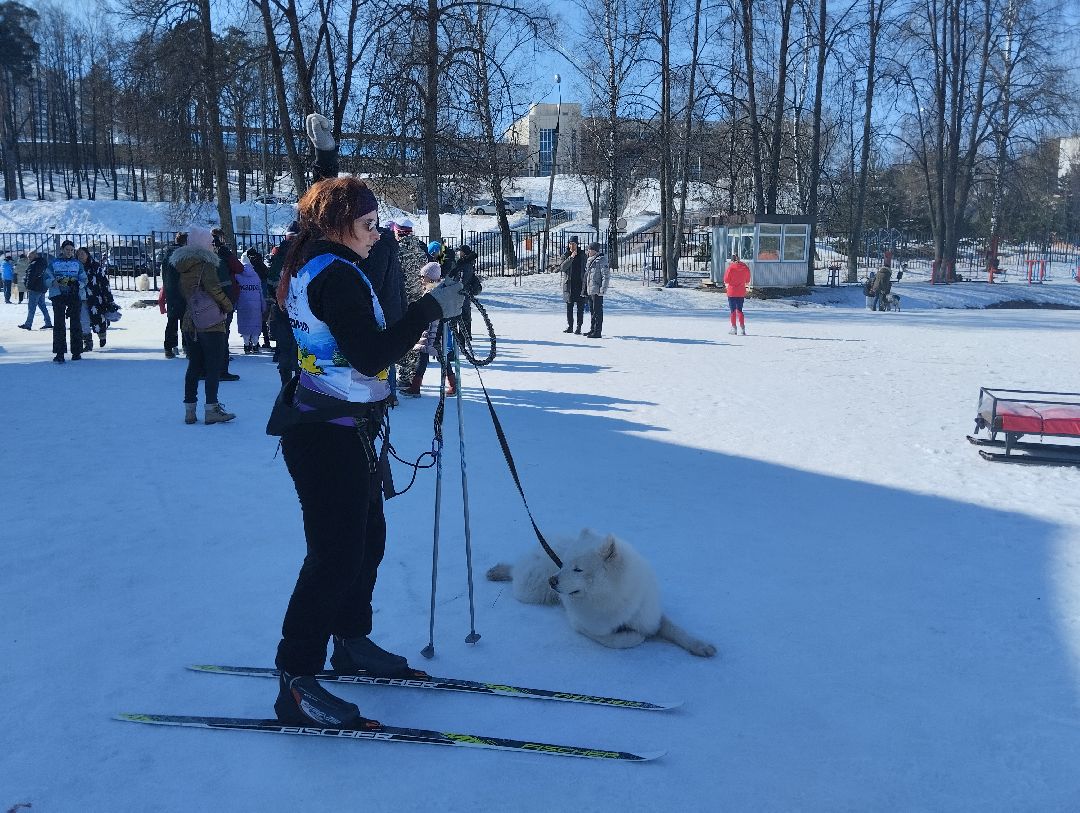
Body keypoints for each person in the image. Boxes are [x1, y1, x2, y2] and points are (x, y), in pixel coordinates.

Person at [271, 175, 464, 728]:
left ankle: (351, 641)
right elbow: (369, 353)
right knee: (334, 554)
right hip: (323, 434)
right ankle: (296, 678)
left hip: (339, 427)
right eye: (369, 225)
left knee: (366, 539)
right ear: (339, 226)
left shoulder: (315, 256)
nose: (377, 236)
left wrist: (327, 161)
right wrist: (430, 311)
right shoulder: (335, 276)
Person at [175, 226, 236, 425]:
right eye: (210, 242)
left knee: (194, 365)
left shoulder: (182, 265)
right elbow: (214, 289)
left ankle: (189, 410)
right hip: (211, 322)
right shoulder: (206, 265)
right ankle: (212, 409)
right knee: (213, 366)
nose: (213, 245)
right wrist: (227, 306)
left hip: (190, 320)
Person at [400, 261, 457, 397]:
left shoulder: (431, 292)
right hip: (433, 330)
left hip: (432, 331)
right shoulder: (436, 290)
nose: (420, 279)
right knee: (439, 359)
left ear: (429, 278)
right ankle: (453, 384)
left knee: (426, 358)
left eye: (422, 276)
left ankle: (415, 387)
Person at [394, 220, 432, 395]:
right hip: (419, 299)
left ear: (399, 232)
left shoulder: (397, 250)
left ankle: (403, 377)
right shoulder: (421, 249)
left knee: (401, 339)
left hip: (402, 301)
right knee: (416, 339)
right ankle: (411, 377)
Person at [44, 240, 87, 363]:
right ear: (62, 250)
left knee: (76, 323)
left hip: (74, 295)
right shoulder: (54, 263)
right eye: (67, 249)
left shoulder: (77, 264)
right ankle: (59, 353)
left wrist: (78, 284)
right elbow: (47, 276)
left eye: (71, 250)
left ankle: (77, 352)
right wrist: (53, 282)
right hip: (58, 295)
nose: (69, 252)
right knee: (59, 324)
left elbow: (84, 278)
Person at [268, 222, 301, 385]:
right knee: (300, 349)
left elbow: (270, 279)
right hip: (300, 309)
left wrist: (275, 297)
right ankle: (300, 386)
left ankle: (286, 387)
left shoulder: (278, 254)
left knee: (285, 348)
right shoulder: (305, 253)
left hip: (280, 307)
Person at [212, 229, 242, 381]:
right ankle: (221, 370)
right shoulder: (223, 255)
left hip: (204, 301)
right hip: (224, 299)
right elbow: (239, 268)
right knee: (223, 334)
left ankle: (205, 368)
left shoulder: (201, 256)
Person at [79, 247, 116, 349]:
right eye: (79, 254)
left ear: (87, 254)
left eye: (83, 254)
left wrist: (109, 299)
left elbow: (104, 282)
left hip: (96, 298)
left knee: (99, 319)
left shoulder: (95, 266)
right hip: (81, 298)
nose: (81, 256)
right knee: (84, 320)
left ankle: (102, 336)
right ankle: (88, 342)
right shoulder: (76, 267)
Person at [236, 250, 267, 353]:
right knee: (255, 325)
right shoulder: (256, 276)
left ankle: (246, 345)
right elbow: (260, 293)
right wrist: (263, 305)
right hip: (256, 305)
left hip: (243, 304)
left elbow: (236, 291)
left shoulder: (238, 276)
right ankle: (255, 344)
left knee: (245, 325)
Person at [162, 233, 188, 358]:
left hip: (171, 292)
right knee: (186, 321)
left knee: (171, 321)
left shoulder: (167, 255)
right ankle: (187, 347)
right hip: (183, 292)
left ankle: (169, 347)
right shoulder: (183, 256)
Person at [18, 250, 52, 330]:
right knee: (42, 306)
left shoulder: (34, 264)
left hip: (34, 288)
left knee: (31, 307)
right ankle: (48, 322)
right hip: (42, 287)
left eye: (30, 257)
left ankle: (28, 324)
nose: (29, 258)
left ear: (35, 255)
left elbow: (30, 276)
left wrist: (28, 286)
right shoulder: (43, 263)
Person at [451, 243, 479, 339]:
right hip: (464, 291)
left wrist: (457, 286)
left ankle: (465, 335)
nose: (459, 253)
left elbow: (463, 279)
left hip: (464, 292)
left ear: (464, 252)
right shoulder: (465, 262)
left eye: (460, 251)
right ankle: (465, 334)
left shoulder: (466, 264)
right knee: (464, 312)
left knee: (464, 313)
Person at [583, 241, 610, 338]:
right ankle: (592, 329)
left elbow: (605, 276)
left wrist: (603, 289)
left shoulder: (601, 260)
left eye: (589, 249)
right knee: (592, 311)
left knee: (597, 311)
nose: (588, 251)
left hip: (597, 290)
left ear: (595, 250)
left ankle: (597, 331)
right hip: (590, 290)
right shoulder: (590, 260)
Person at [559, 237, 585, 334]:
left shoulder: (582, 255)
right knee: (569, 307)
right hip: (569, 284)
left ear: (577, 244)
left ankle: (579, 327)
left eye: (574, 244)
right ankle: (570, 326)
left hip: (580, 283)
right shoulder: (565, 255)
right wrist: (571, 257)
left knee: (580, 307)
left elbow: (586, 267)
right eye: (570, 243)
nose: (572, 246)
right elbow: (562, 268)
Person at [723, 252, 751, 335]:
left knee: (733, 311)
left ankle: (734, 328)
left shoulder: (731, 268)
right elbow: (747, 280)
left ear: (732, 260)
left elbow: (726, 280)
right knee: (740, 310)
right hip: (741, 291)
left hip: (732, 291)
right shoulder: (745, 267)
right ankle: (742, 328)